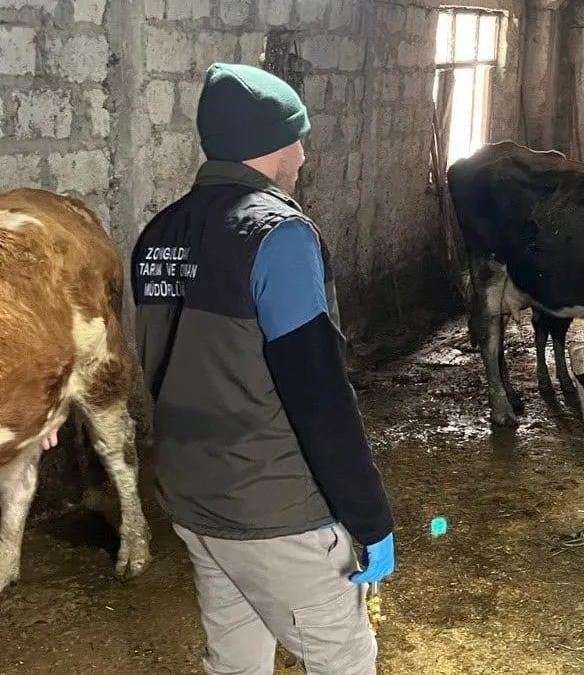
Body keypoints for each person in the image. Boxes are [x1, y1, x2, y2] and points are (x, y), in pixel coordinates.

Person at [131, 63, 395, 675]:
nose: (303, 153)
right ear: (272, 146)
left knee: (235, 655)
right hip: (273, 512)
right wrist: (368, 515)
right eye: (299, 136)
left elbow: (162, 366)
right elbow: (319, 394)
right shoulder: (279, 236)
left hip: (193, 499)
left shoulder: (160, 232)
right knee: (343, 659)